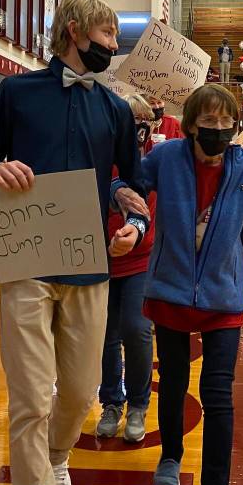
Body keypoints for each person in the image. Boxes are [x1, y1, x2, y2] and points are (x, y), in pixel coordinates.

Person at [0, 0, 148, 485]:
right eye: (108, 36)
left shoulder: (114, 109)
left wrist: (132, 224)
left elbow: (131, 186)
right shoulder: (16, 92)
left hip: (89, 266)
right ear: (75, 31)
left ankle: (58, 452)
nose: (115, 47)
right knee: (28, 397)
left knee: (80, 391)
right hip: (24, 264)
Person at [112, 83, 243, 485]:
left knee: (219, 397)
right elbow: (131, 188)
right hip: (170, 294)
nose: (218, 130)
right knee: (176, 384)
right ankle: (169, 457)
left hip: (224, 299)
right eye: (209, 122)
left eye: (226, 122)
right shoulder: (165, 158)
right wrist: (127, 209)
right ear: (191, 126)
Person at [97, 95, 158, 444]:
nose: (135, 124)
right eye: (129, 118)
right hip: (100, 259)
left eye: (141, 119)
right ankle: (110, 402)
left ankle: (137, 404)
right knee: (106, 336)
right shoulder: (100, 156)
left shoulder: (154, 157)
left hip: (140, 260)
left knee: (137, 330)